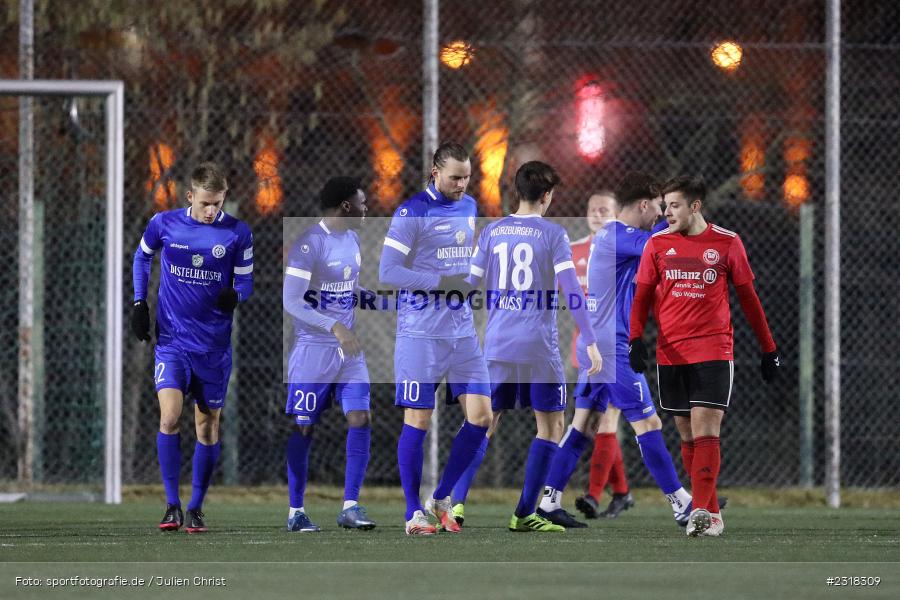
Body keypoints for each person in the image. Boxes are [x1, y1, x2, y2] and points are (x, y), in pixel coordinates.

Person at [538, 172, 693, 530]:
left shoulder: (612, 235)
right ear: (643, 205)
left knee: (584, 424)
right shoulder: (621, 235)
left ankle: (548, 500)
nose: (661, 214)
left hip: (598, 341)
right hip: (610, 346)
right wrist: (683, 217)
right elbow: (661, 241)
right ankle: (681, 503)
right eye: (658, 207)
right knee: (647, 422)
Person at [629, 175, 780, 537]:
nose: (667, 212)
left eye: (675, 205)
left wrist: (768, 348)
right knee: (685, 433)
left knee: (706, 428)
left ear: (695, 206)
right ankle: (711, 514)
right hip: (671, 352)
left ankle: (698, 509)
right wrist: (636, 340)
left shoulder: (728, 243)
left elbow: (749, 300)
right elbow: (642, 297)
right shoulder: (657, 244)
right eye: (665, 206)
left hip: (713, 349)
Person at [465, 161, 601, 532]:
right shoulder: (553, 234)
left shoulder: (492, 232)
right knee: (551, 425)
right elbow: (572, 291)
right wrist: (589, 338)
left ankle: (453, 505)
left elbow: (467, 287)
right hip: (538, 348)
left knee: (483, 423)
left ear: (516, 191)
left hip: (496, 345)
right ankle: (524, 512)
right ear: (546, 195)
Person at [131, 162, 253, 534]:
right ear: (190, 197)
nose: (211, 210)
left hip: (213, 348)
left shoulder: (238, 233)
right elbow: (142, 256)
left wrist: (235, 295)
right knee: (169, 417)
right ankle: (172, 504)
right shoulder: (164, 223)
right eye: (205, 203)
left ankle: (196, 506)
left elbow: (245, 284)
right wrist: (140, 303)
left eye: (217, 203)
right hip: (172, 342)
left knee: (207, 426)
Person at [378, 142, 493, 535]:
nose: (461, 184)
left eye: (466, 177)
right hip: (420, 332)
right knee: (419, 418)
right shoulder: (412, 212)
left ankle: (441, 497)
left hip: (461, 333)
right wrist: (442, 283)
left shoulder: (470, 206)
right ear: (434, 171)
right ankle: (413, 512)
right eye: (454, 177)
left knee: (481, 417)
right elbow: (389, 270)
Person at [281, 177, 376, 532]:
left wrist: (377, 298)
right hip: (313, 351)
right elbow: (291, 301)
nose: (368, 209)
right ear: (346, 207)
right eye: (362, 203)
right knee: (304, 428)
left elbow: (348, 289)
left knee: (360, 417)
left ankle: (350, 506)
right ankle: (296, 511)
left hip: (348, 354)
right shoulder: (309, 244)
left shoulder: (352, 240)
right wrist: (334, 326)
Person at [569, 192, 635, 520]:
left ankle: (594, 496)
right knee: (595, 423)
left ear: (617, 215)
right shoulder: (574, 250)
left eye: (605, 210)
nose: (597, 214)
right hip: (585, 347)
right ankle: (621, 493)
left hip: (615, 345)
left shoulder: (624, 248)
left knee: (606, 418)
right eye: (592, 209)